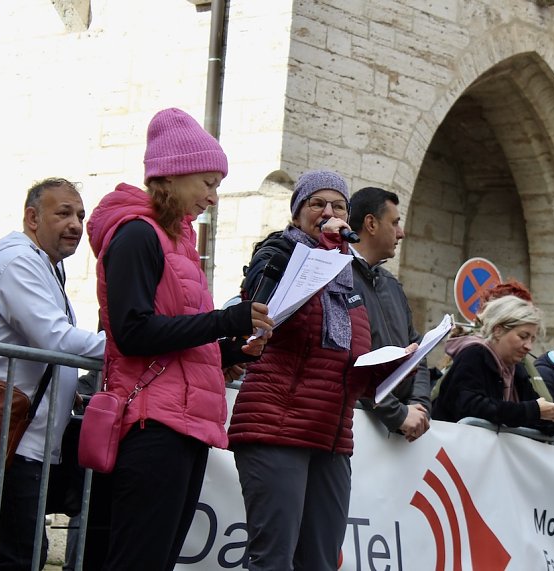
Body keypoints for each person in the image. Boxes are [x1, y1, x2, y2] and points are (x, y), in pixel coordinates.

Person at [86, 107, 272, 570]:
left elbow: (177, 338)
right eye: (208, 182)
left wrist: (230, 350)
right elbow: (132, 332)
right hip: (153, 425)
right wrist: (224, 321)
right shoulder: (136, 235)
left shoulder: (176, 242)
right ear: (171, 175)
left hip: (181, 423)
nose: (213, 196)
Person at [229, 170, 416, 571]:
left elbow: (346, 360)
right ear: (298, 212)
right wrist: (321, 254)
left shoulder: (347, 276)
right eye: (317, 204)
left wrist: (389, 368)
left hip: (331, 436)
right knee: (273, 560)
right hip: (277, 427)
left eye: (338, 206)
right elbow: (262, 311)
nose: (329, 212)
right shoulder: (278, 252)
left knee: (320, 562)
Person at [0, 178, 106, 570]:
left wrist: (67, 388)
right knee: (19, 555)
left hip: (13, 434)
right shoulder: (19, 262)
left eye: (80, 216)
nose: (75, 224)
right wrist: (126, 346)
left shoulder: (42, 264)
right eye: (63, 213)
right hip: (6, 434)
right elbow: (55, 337)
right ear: (32, 217)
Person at [348, 186, 430, 442]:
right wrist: (397, 413)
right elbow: (350, 361)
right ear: (371, 224)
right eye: (394, 223)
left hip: (398, 428)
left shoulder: (391, 284)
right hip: (356, 431)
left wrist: (418, 406)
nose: (401, 232)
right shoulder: (340, 279)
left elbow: (417, 351)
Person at [431, 295, 554, 428]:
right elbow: (470, 406)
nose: (529, 346)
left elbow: (529, 413)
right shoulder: (473, 355)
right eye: (523, 336)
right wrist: (534, 411)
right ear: (498, 331)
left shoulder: (516, 368)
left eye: (532, 339)